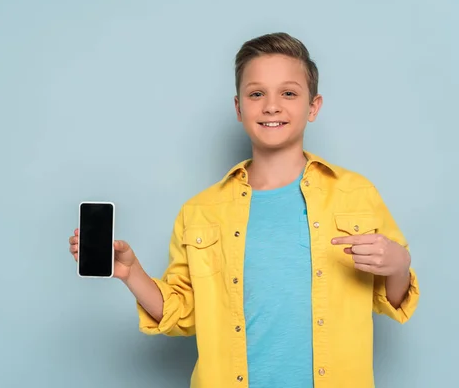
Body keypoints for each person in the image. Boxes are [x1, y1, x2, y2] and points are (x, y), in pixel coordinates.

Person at [68, 32, 419, 388]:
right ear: (239, 108)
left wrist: (399, 265)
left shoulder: (355, 194)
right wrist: (131, 273)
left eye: (289, 93)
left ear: (313, 107)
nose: (271, 106)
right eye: (256, 94)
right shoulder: (201, 211)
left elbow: (391, 298)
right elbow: (183, 313)